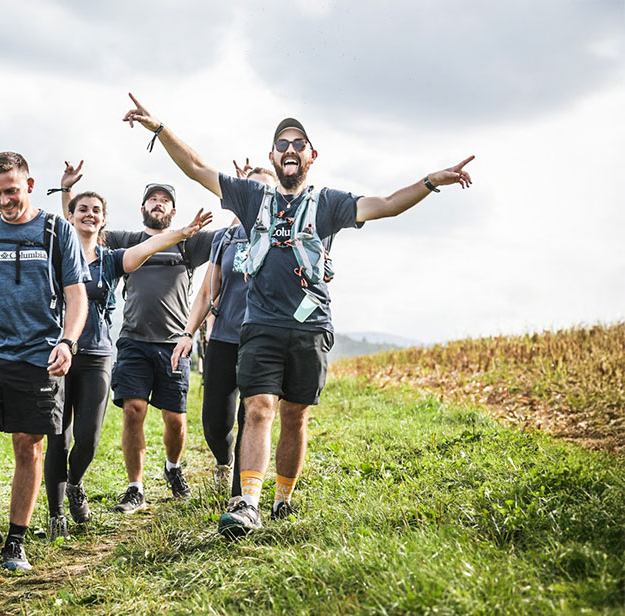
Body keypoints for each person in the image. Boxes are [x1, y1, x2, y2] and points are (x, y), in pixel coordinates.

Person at [123, 92, 474, 536]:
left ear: (312, 156)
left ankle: (283, 497)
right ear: (272, 155)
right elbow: (196, 168)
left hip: (310, 329)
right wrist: (160, 129)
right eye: (282, 144)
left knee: (295, 415)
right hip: (261, 327)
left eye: (298, 144)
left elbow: (385, 204)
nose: (290, 150)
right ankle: (247, 503)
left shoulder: (329, 203)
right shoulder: (252, 197)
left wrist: (431, 181)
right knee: (259, 408)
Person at [42, 175, 212, 538]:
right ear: (142, 208)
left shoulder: (188, 246)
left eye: (165, 200)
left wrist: (189, 230)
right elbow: (77, 229)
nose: (158, 204)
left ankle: (173, 466)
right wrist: (68, 192)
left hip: (172, 344)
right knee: (130, 412)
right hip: (130, 342)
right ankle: (132, 488)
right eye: (153, 199)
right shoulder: (124, 243)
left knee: (174, 420)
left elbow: (231, 238)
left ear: (173, 210)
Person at [0, 151, 89, 572]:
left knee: (28, 445)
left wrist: (68, 342)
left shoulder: (55, 231)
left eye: (11, 191)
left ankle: (16, 541)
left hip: (38, 354)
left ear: (29, 184)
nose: (5, 201)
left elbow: (75, 296)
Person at [171, 162, 277, 498]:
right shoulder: (228, 237)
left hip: (262, 341)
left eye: (266, 189)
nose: (260, 195)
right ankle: (223, 459)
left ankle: (241, 496)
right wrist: (189, 332)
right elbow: (206, 292)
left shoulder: (282, 236)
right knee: (215, 423)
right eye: (252, 188)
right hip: (223, 339)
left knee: (253, 415)